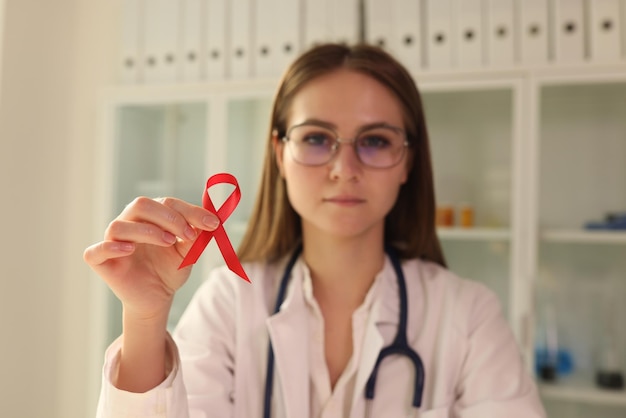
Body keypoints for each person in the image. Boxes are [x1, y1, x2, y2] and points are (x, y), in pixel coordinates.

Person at [84, 43, 546, 418]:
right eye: (317, 138)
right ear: (279, 154)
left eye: (376, 141)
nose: (344, 169)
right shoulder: (231, 302)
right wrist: (144, 318)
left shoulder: (467, 318)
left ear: (407, 160)